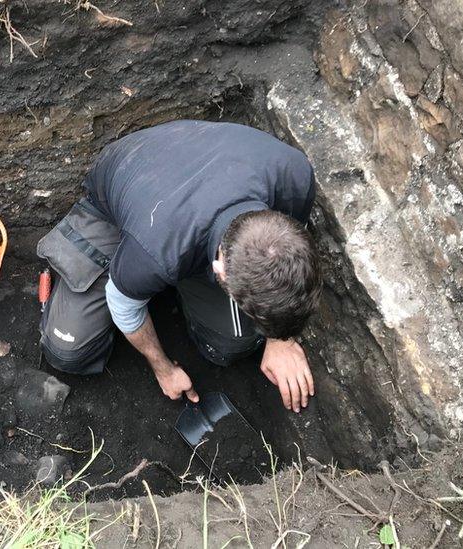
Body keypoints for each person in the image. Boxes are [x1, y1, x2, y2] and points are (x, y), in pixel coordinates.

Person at [37, 120, 321, 412]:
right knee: (68, 351)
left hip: (185, 200)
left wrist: (280, 339)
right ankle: (102, 269)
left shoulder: (293, 176)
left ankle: (169, 282)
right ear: (219, 270)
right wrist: (163, 369)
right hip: (124, 191)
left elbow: (284, 271)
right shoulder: (154, 251)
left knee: (228, 346)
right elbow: (121, 304)